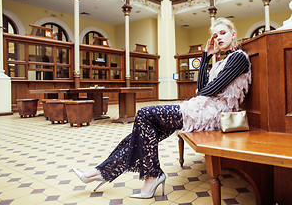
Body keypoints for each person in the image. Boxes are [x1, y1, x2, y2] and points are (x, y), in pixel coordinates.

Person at [72, 17, 252, 199]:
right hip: (202, 109)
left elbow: (206, 90)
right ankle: (102, 171)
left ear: (233, 35)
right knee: (142, 133)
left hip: (214, 114)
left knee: (144, 114)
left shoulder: (238, 58)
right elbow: (202, 87)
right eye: (215, 35)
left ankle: (148, 175)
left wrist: (202, 89)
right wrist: (206, 56)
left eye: (223, 33)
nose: (218, 38)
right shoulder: (222, 60)